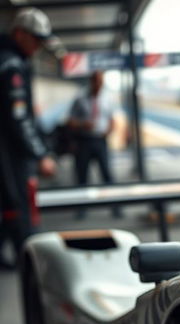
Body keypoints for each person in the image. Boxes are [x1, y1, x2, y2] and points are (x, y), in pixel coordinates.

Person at [0, 7, 57, 268]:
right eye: (35, 38)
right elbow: (18, 117)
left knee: (9, 201)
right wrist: (41, 153)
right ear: (19, 33)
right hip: (9, 151)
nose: (38, 45)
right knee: (19, 204)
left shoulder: (9, 58)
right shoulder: (11, 63)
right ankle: (29, 263)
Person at [68, 70, 121, 218]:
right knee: (82, 176)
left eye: (101, 82)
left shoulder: (108, 98)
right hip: (84, 140)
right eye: (96, 81)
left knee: (107, 174)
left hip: (100, 140)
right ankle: (82, 208)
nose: (98, 85)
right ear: (91, 81)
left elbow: (112, 119)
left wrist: (109, 131)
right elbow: (69, 121)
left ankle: (115, 206)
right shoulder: (79, 98)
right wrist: (81, 125)